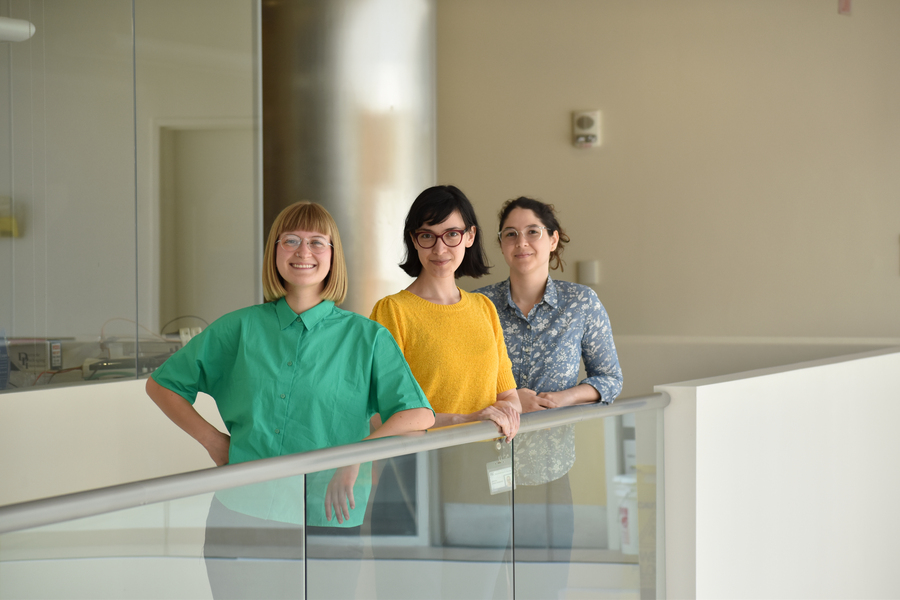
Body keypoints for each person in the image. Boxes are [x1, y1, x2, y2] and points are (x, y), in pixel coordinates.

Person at [146, 200, 434, 599]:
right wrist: (214, 442)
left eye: (318, 242)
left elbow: (417, 414)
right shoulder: (239, 327)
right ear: (275, 251)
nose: (304, 252)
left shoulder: (366, 337)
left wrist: (354, 458)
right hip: (244, 511)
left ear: (333, 256)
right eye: (292, 240)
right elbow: (162, 385)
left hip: (328, 514)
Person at [368, 184, 521, 599]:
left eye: (451, 234)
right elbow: (383, 416)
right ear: (413, 241)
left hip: (482, 483)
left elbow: (505, 391)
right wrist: (469, 420)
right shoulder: (392, 311)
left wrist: (505, 412)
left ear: (469, 236)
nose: (440, 247)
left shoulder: (484, 309)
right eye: (427, 235)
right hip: (412, 482)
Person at [475, 196, 623, 595]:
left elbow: (609, 378)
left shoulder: (580, 304)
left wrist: (564, 398)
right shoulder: (478, 306)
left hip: (550, 471)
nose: (521, 242)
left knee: (545, 588)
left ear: (553, 240)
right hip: (482, 473)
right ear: (501, 245)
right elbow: (463, 384)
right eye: (510, 234)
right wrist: (509, 402)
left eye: (532, 232)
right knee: (481, 587)